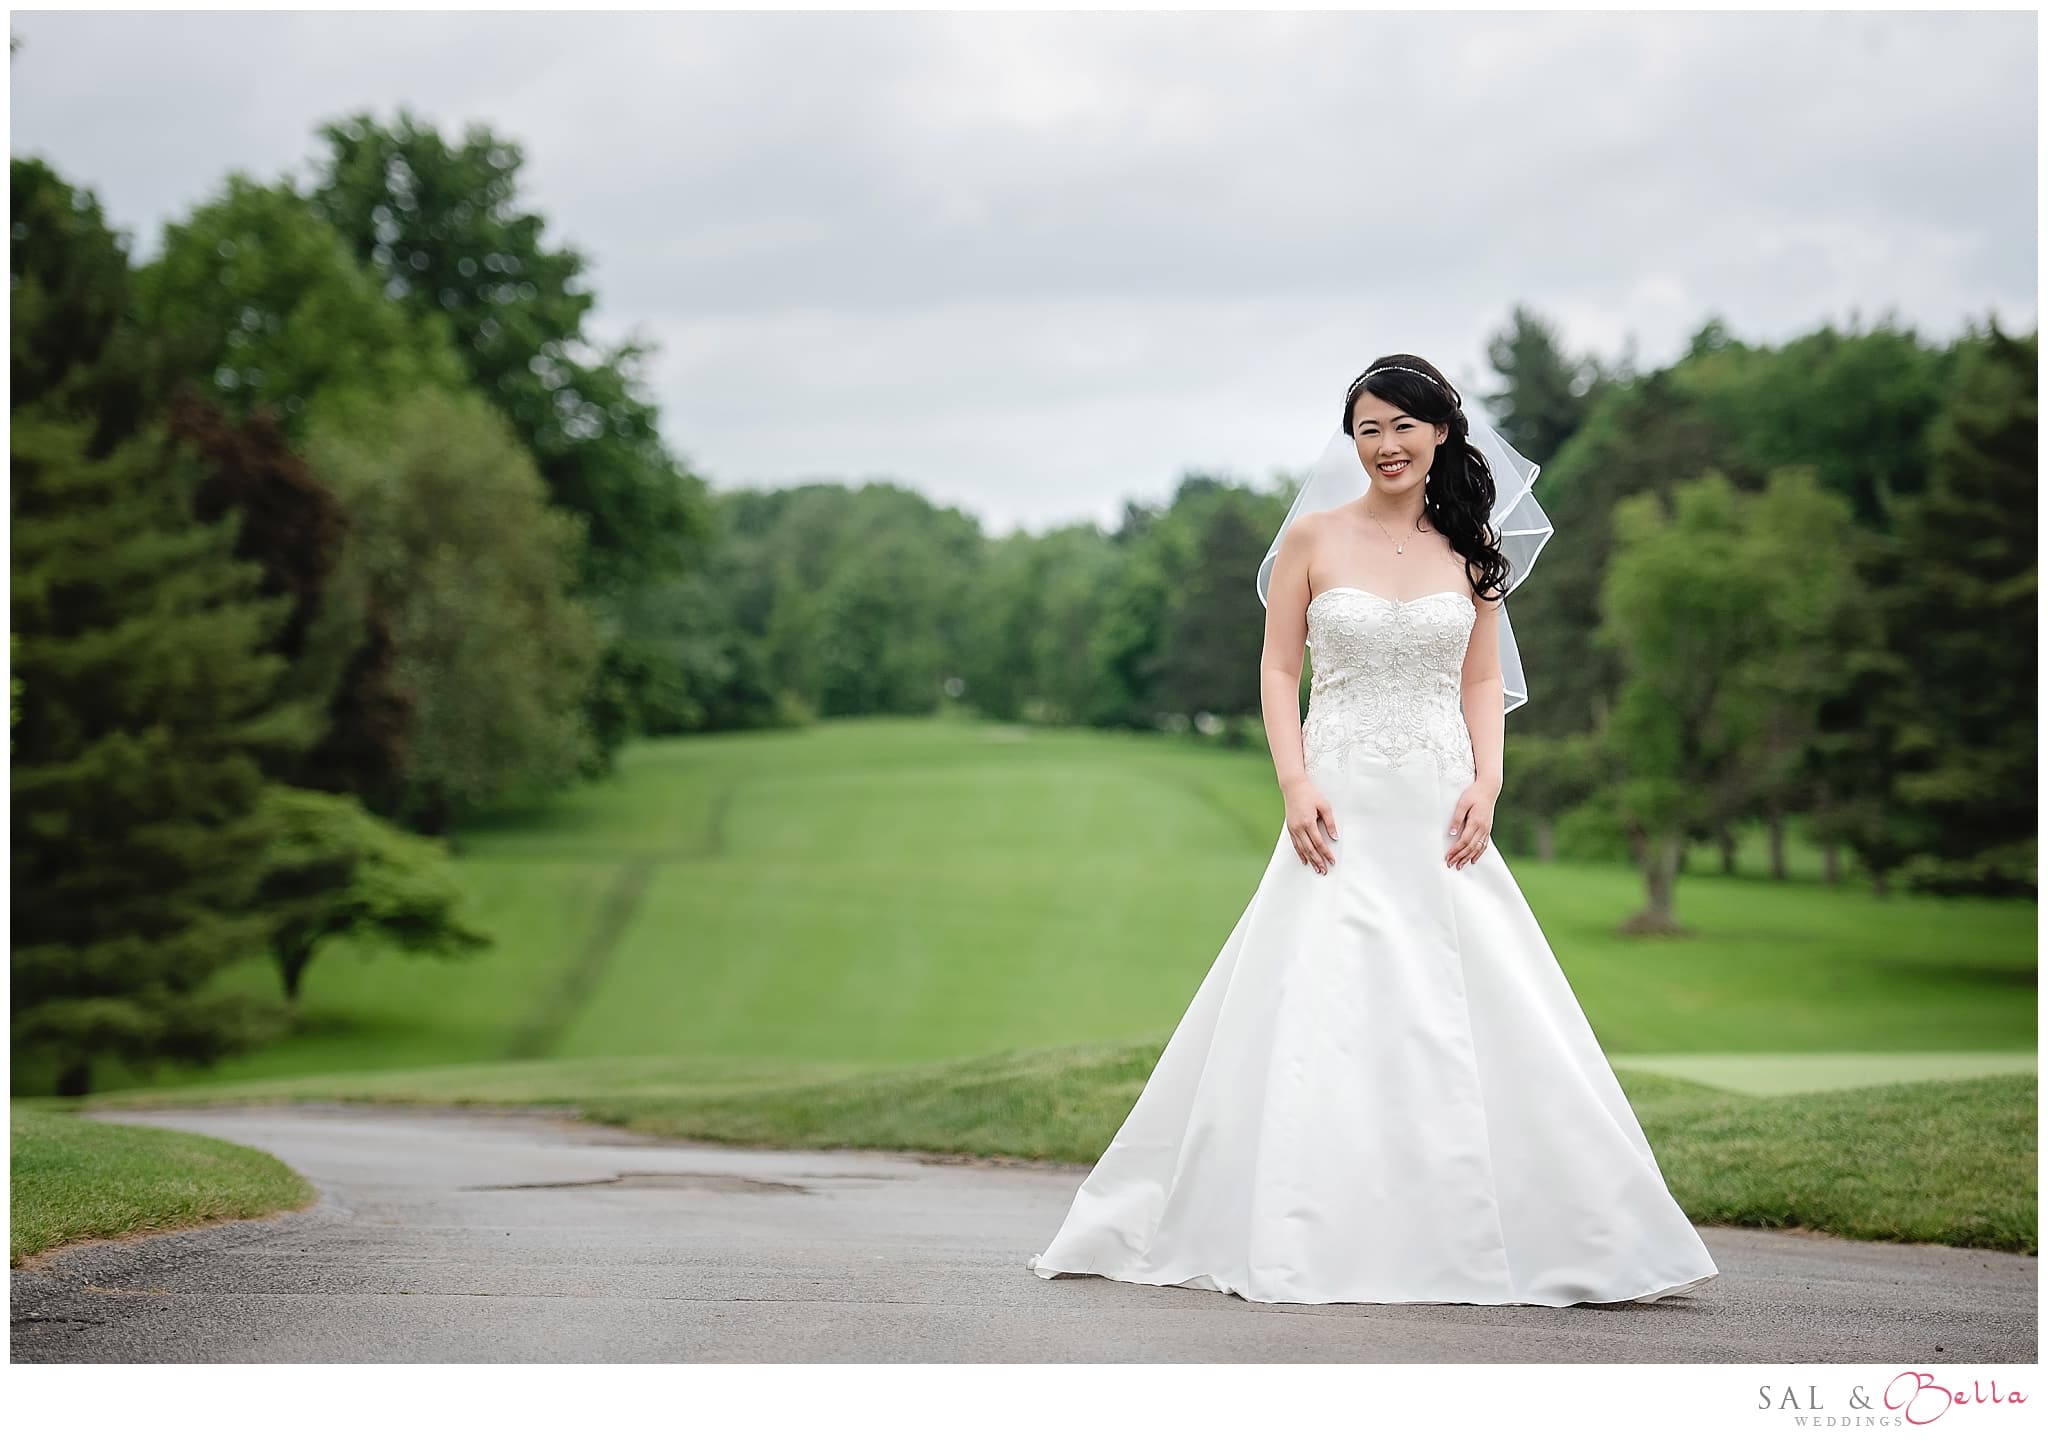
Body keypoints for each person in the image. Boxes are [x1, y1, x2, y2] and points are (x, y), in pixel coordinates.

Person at [1025, 354, 1719, 1307]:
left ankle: (1554, 1227)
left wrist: (1490, 779)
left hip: (1440, 806)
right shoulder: (1312, 538)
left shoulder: (1470, 549)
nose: (1385, 446)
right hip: (1337, 802)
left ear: (1440, 432)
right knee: (1320, 1001)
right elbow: (1277, 673)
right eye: (1367, 430)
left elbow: (1482, 678)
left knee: (1484, 1000)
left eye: (1402, 426)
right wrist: (1294, 778)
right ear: (1349, 442)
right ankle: (1304, 1226)